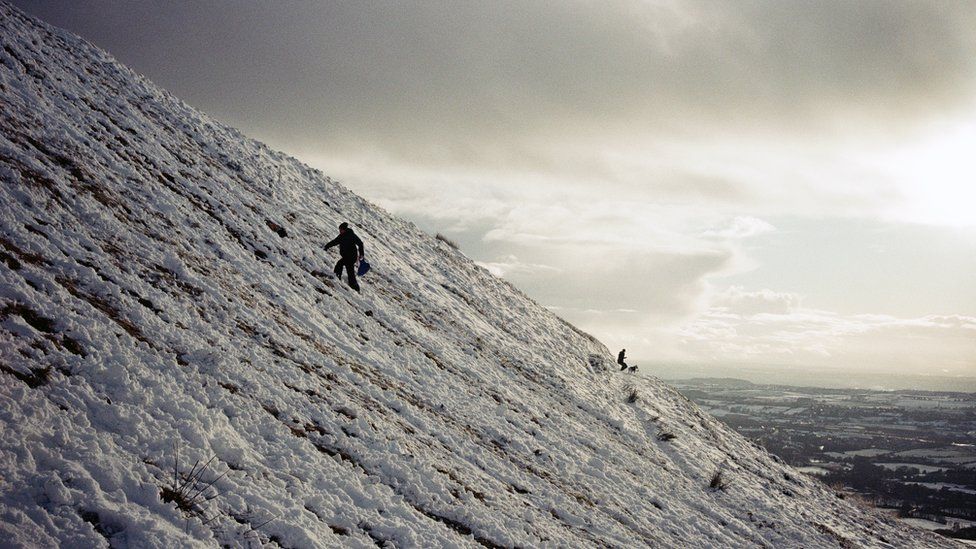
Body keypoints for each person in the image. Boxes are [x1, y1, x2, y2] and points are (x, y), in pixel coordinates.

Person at [325, 222, 364, 292]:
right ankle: (338, 277)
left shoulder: (351, 235)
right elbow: (335, 241)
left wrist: (361, 253)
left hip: (352, 257)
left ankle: (354, 287)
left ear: (344, 229)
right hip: (346, 256)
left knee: (347, 268)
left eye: (341, 230)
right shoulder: (341, 236)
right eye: (339, 229)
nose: (340, 231)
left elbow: (360, 243)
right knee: (342, 265)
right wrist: (327, 246)